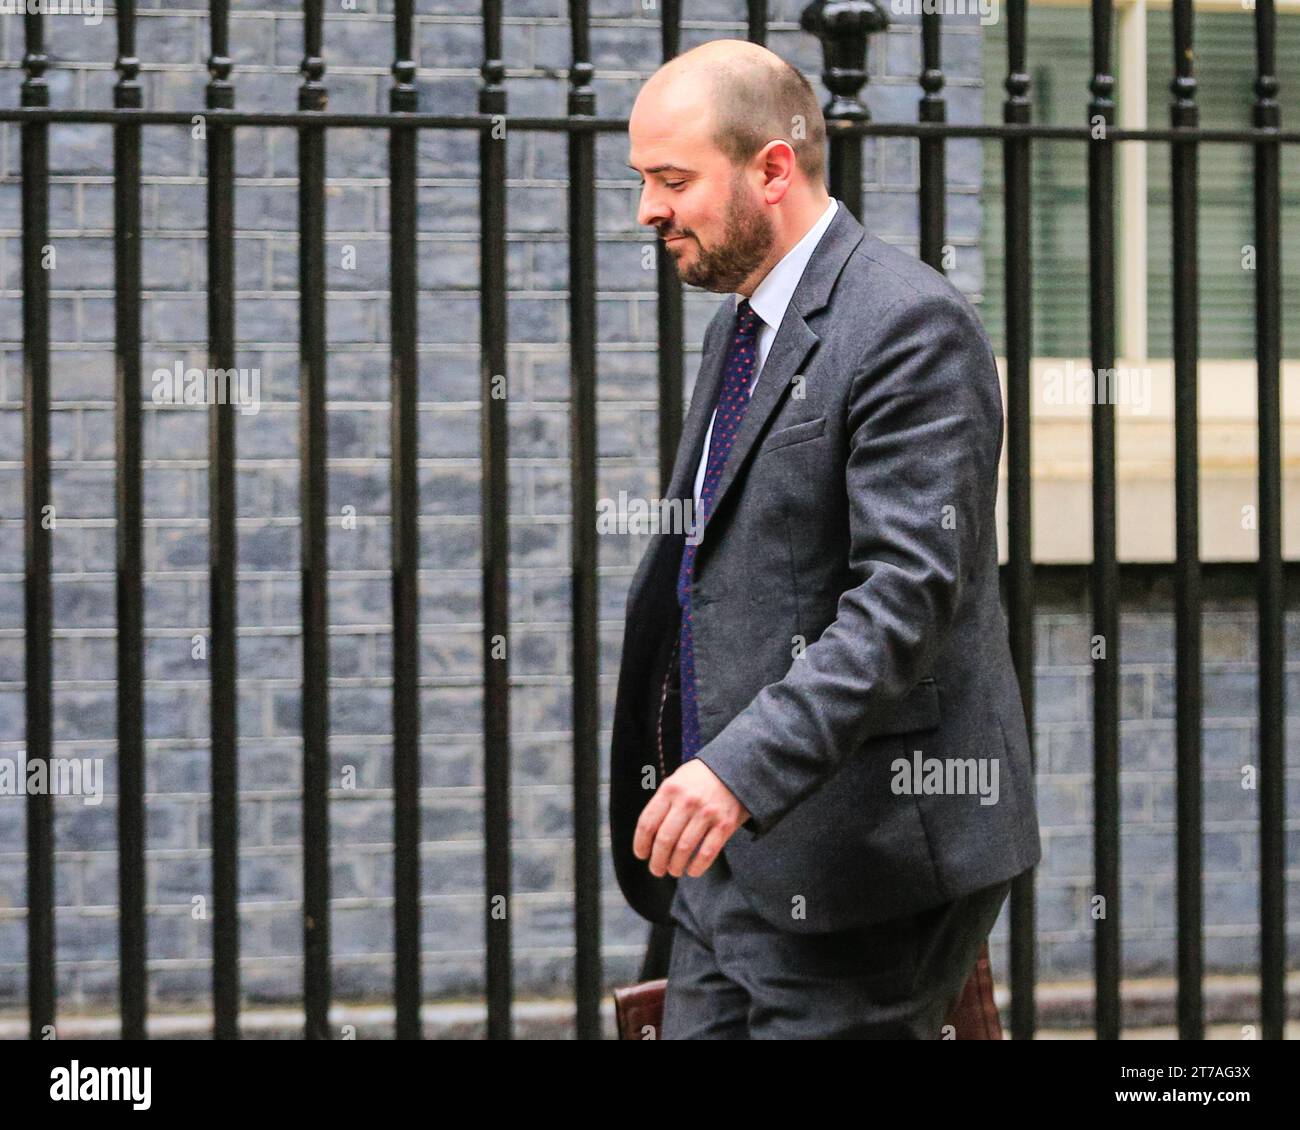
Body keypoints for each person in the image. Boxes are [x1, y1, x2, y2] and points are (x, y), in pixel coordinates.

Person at [608, 38, 1042, 1039]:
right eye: (642, 180)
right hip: (731, 859)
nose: (647, 211)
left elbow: (904, 599)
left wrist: (735, 768)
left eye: (672, 179)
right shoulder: (741, 323)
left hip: (865, 864)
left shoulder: (908, 323)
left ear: (771, 167)